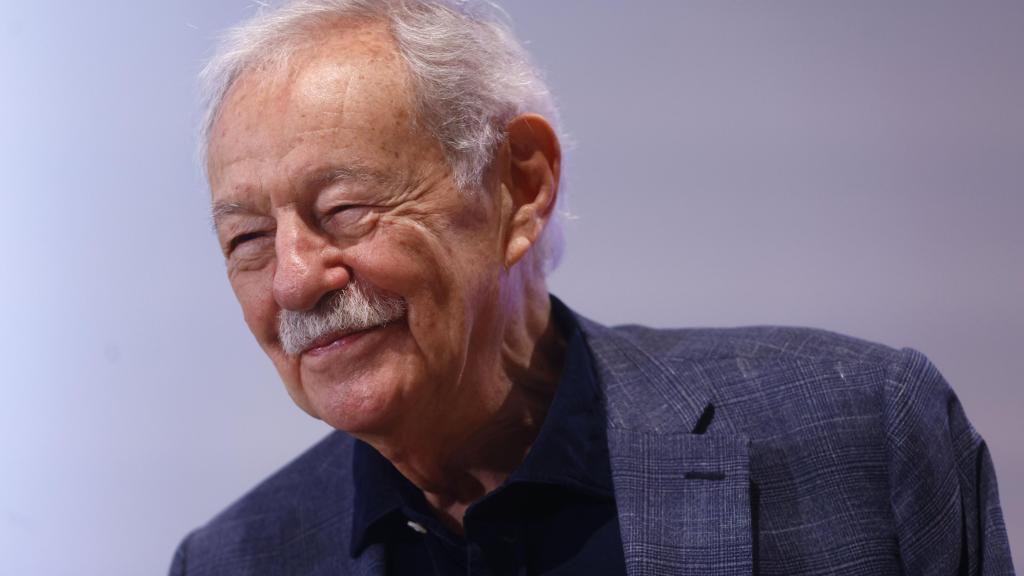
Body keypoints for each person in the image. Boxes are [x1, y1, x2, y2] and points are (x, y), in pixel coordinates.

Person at [171, 1, 1014, 574]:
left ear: (519, 187)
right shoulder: (238, 561)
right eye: (246, 240)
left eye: (347, 208)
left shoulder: (861, 437)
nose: (293, 279)